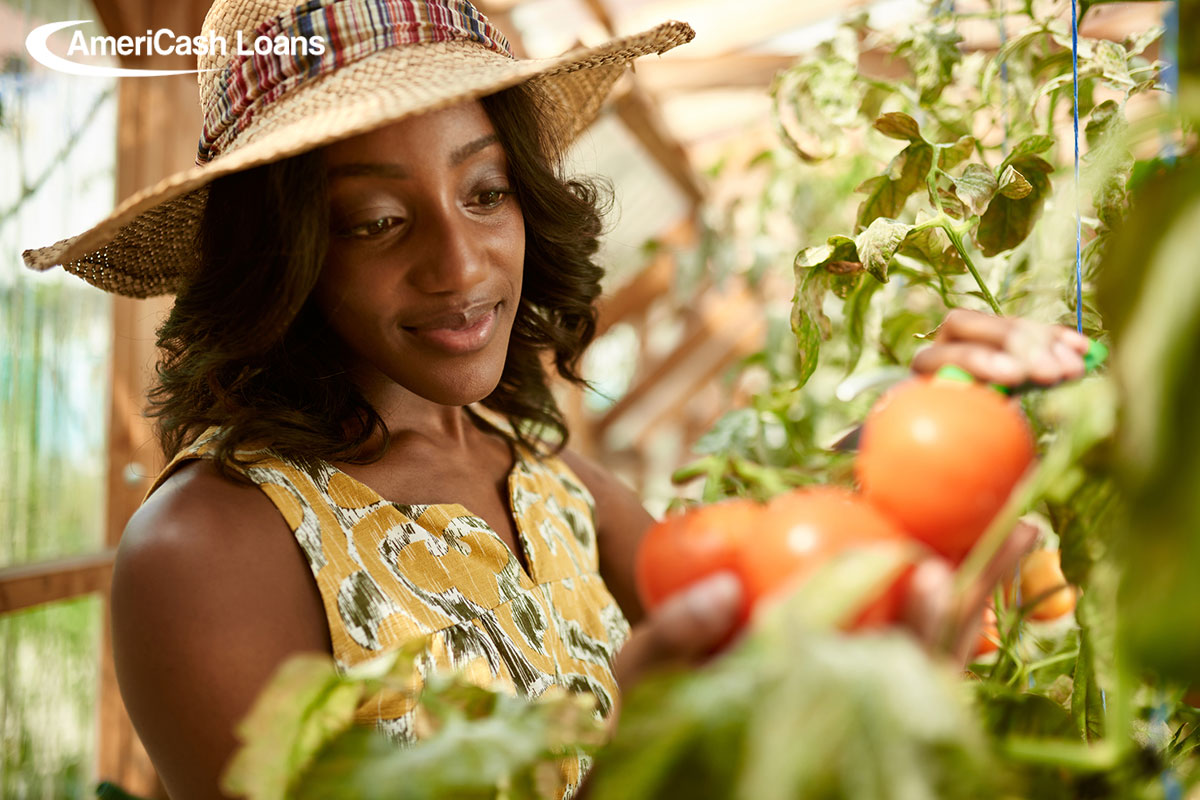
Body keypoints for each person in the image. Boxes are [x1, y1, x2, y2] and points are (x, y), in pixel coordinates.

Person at [23, 0, 1090, 797]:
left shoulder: (545, 476)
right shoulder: (206, 548)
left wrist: (931, 431)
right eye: (378, 221)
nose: (461, 262)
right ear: (286, 258)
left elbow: (759, 599)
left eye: (485, 192)